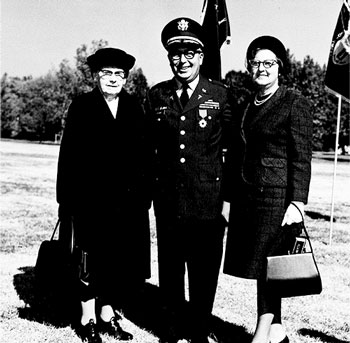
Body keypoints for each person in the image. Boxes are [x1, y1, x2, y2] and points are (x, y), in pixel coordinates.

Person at [146, 17, 233, 343]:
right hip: (169, 201)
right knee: (170, 270)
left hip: (208, 203)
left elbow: (234, 151)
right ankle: (168, 331)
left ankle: (198, 330)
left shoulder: (220, 95)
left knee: (204, 272)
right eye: (176, 55)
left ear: (201, 56)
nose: (182, 61)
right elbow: (147, 148)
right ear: (170, 57)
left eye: (190, 54)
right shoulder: (157, 95)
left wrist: (227, 202)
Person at [56, 47, 152, 343]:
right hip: (89, 202)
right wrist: (66, 201)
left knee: (118, 261)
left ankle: (108, 315)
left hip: (127, 203)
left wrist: (143, 196)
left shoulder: (134, 107)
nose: (113, 79)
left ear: (126, 78)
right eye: (107, 73)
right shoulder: (82, 106)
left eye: (119, 74)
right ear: (96, 76)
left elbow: (145, 155)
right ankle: (87, 318)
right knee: (89, 259)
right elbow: (69, 156)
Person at [223, 36, 313, 343]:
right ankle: (277, 332)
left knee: (267, 268)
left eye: (269, 63)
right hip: (249, 197)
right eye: (256, 62)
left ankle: (261, 334)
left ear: (280, 67)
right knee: (263, 267)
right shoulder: (247, 104)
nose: (262, 68)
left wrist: (298, 202)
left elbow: (301, 157)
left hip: (277, 199)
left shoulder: (294, 103)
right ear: (249, 67)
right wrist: (228, 199)